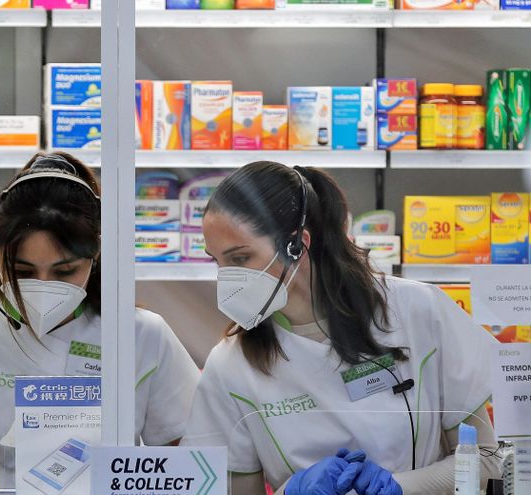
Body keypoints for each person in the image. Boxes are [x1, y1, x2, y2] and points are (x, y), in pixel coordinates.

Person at [181, 161, 501, 495]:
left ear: (297, 245)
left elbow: (487, 461)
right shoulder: (232, 364)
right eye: (217, 261)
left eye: (239, 259)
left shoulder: (418, 312)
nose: (226, 279)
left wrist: (400, 487)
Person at [0, 151, 201, 489]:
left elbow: (190, 465)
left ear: (96, 257)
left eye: (65, 271)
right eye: (24, 272)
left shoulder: (141, 337)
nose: (44, 287)